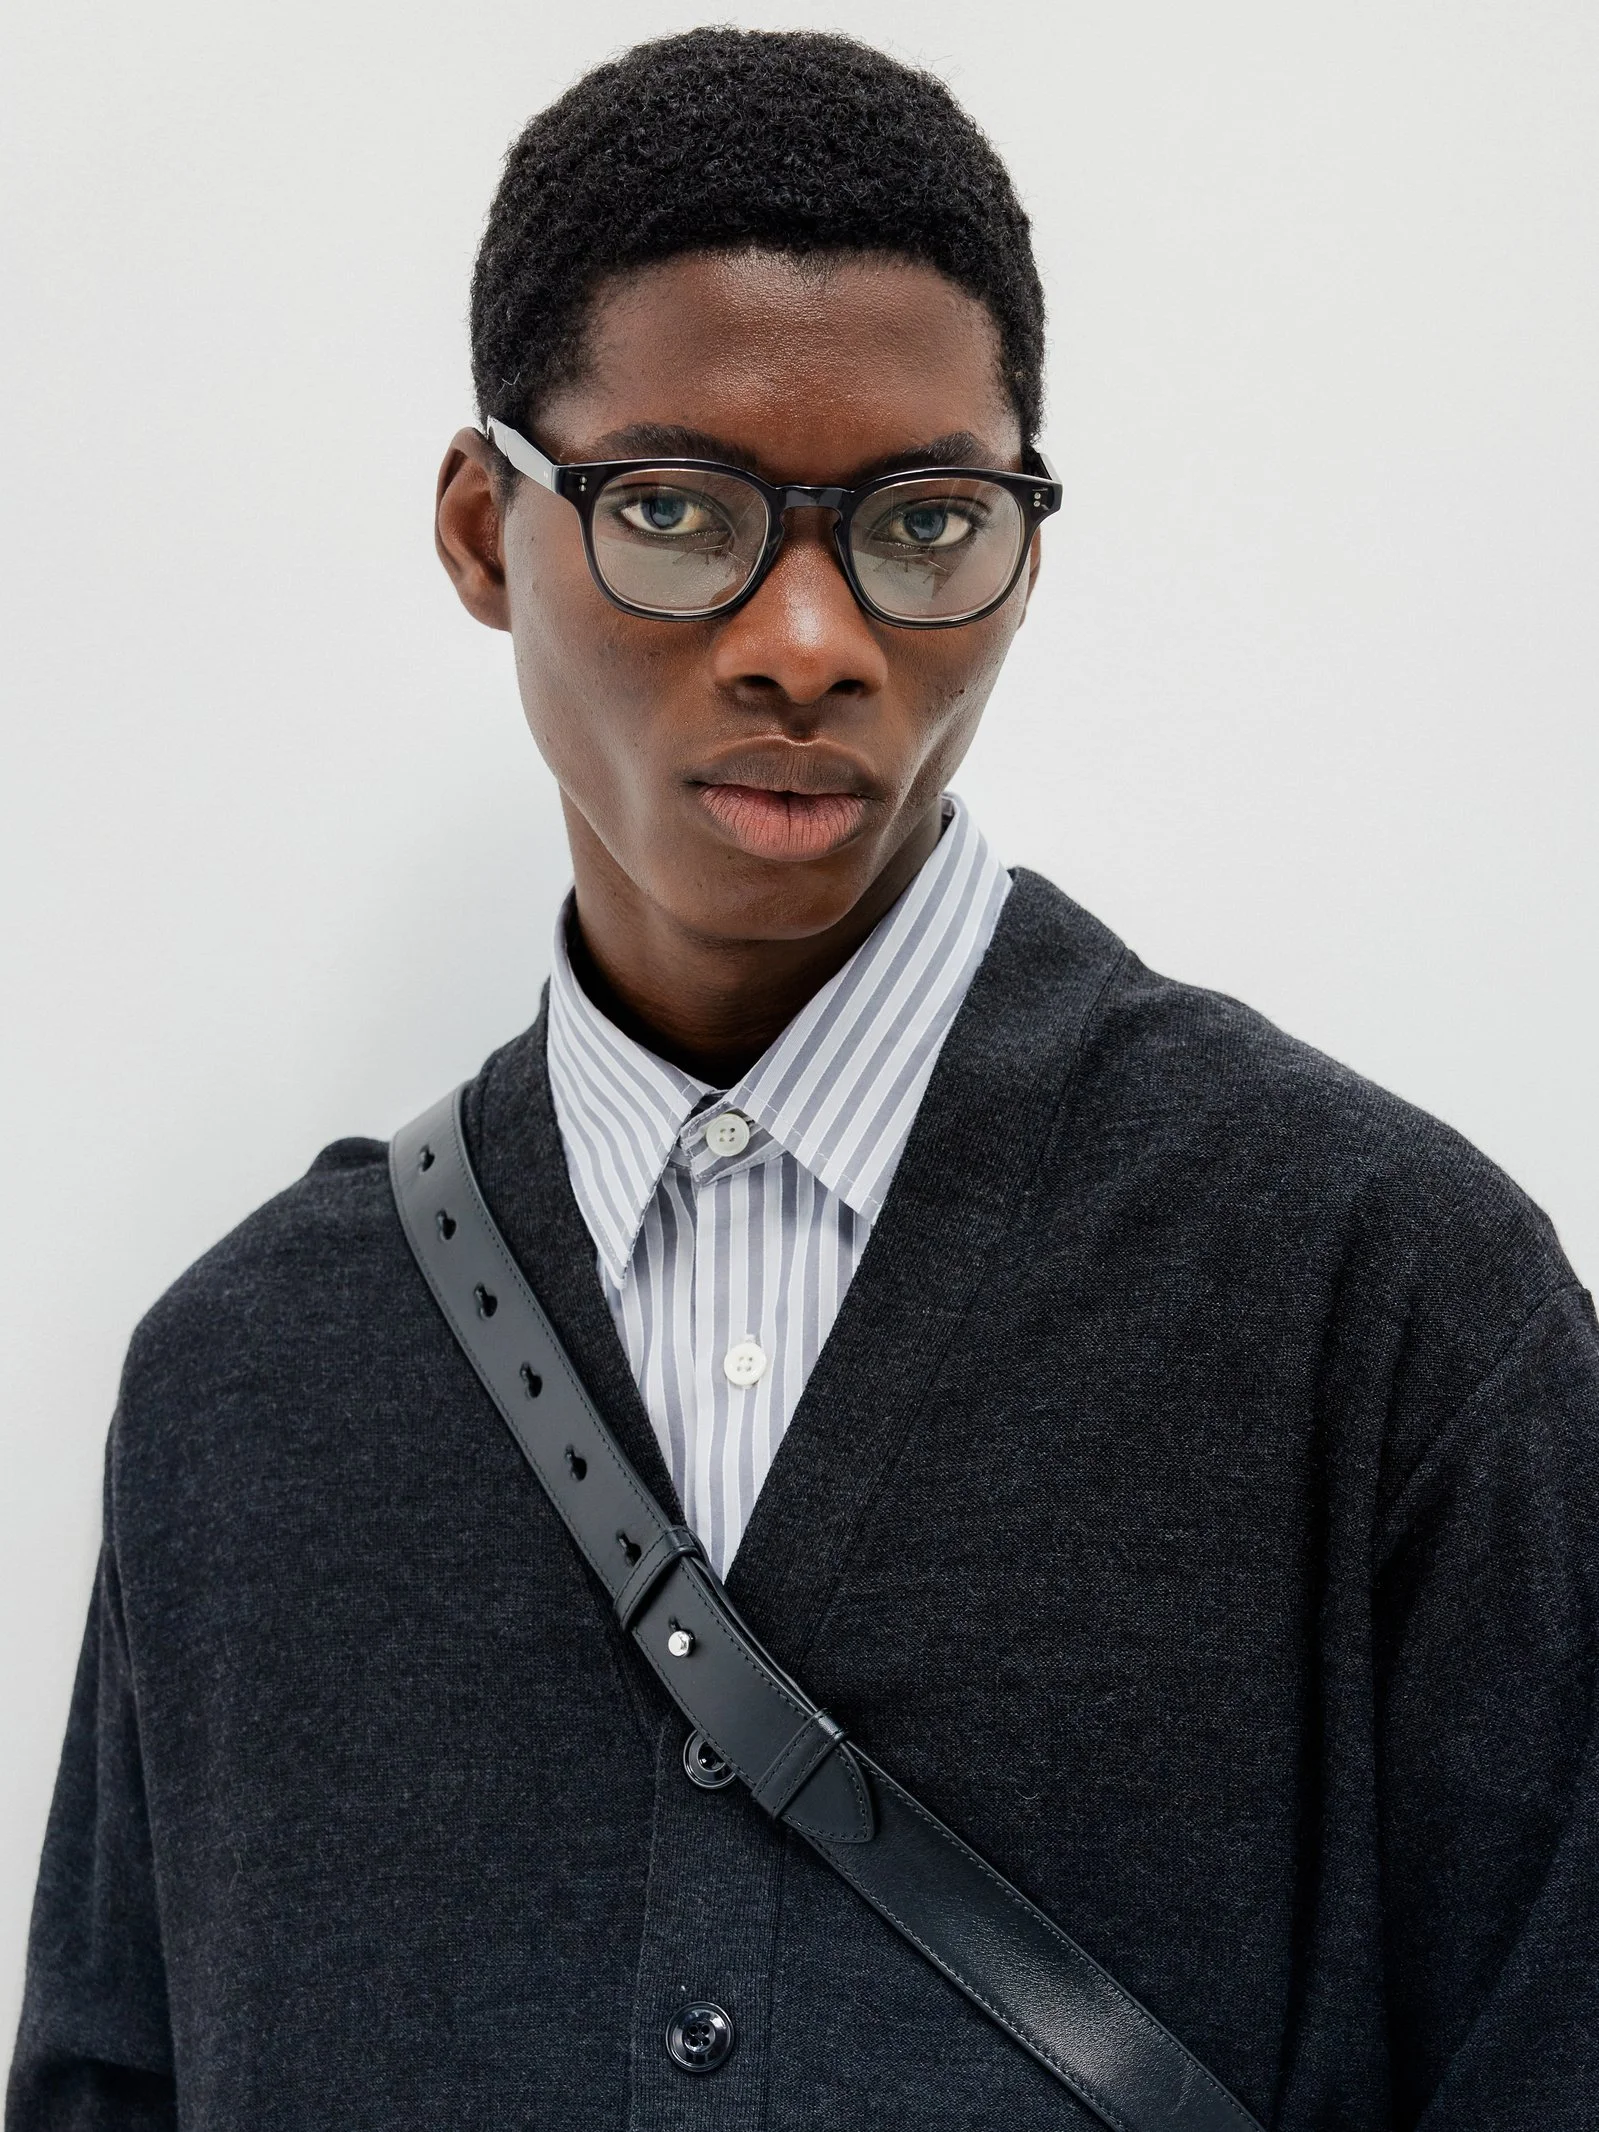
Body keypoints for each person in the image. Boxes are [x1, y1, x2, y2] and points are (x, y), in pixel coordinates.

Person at [8, 26, 1597, 2132]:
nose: (813, 638)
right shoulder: (242, 1388)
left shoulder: (1388, 1309)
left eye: (927, 523)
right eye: (676, 511)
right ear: (486, 529)